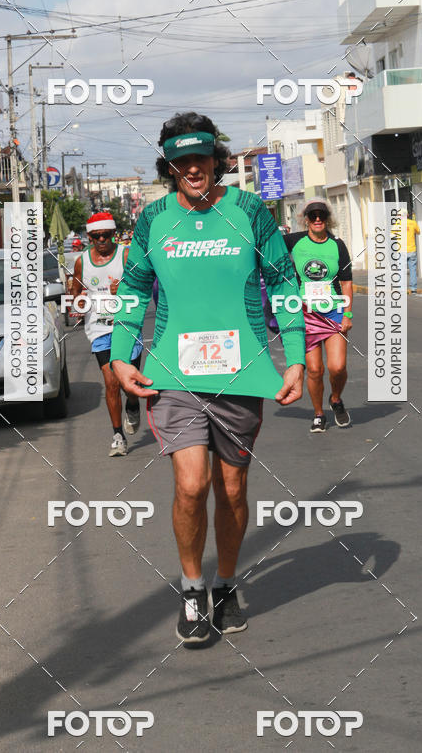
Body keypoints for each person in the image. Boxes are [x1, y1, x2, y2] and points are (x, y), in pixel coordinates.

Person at [110, 112, 305, 644]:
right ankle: (192, 589)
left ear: (216, 160)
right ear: (170, 165)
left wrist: (293, 358)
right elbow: (132, 289)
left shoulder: (250, 211)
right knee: (192, 484)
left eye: (202, 157)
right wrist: (122, 358)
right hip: (174, 374)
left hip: (241, 374)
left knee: (233, 488)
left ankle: (225, 582)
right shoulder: (153, 220)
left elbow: (284, 280)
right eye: (182, 159)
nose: (193, 168)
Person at [70, 212, 142, 456]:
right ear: (89, 237)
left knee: (129, 385)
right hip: (99, 329)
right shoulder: (81, 262)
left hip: (127, 324)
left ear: (113, 234)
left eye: (106, 235)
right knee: (111, 382)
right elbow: (75, 293)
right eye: (96, 236)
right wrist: (77, 304)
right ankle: (118, 436)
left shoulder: (126, 254)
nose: (101, 240)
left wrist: (125, 286)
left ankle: (133, 404)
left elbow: (144, 283)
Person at [285, 198, 353, 433]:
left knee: (337, 367)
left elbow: (346, 283)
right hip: (307, 313)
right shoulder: (293, 241)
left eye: (321, 216)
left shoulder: (337, 245)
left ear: (327, 219)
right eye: (312, 216)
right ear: (305, 219)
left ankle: (335, 399)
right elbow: (267, 252)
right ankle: (318, 414)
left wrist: (347, 314)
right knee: (314, 370)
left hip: (334, 311)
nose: (317, 219)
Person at [406, 210, 420, 294]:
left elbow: (392, 235)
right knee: (413, 270)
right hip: (412, 249)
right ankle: (413, 289)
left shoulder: (397, 224)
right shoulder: (413, 223)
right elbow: (418, 232)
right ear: (407, 215)